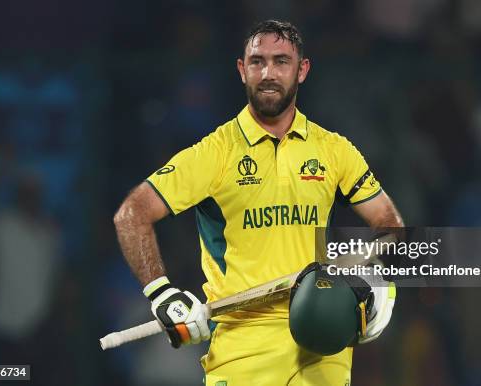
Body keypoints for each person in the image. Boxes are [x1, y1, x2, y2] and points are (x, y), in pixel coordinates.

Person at [114, 20, 404, 386]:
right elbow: (132, 214)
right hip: (241, 353)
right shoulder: (214, 154)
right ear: (241, 70)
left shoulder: (335, 150)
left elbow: (390, 226)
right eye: (257, 61)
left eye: (281, 61)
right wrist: (161, 293)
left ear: (302, 70)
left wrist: (370, 277)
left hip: (323, 348)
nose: (268, 73)